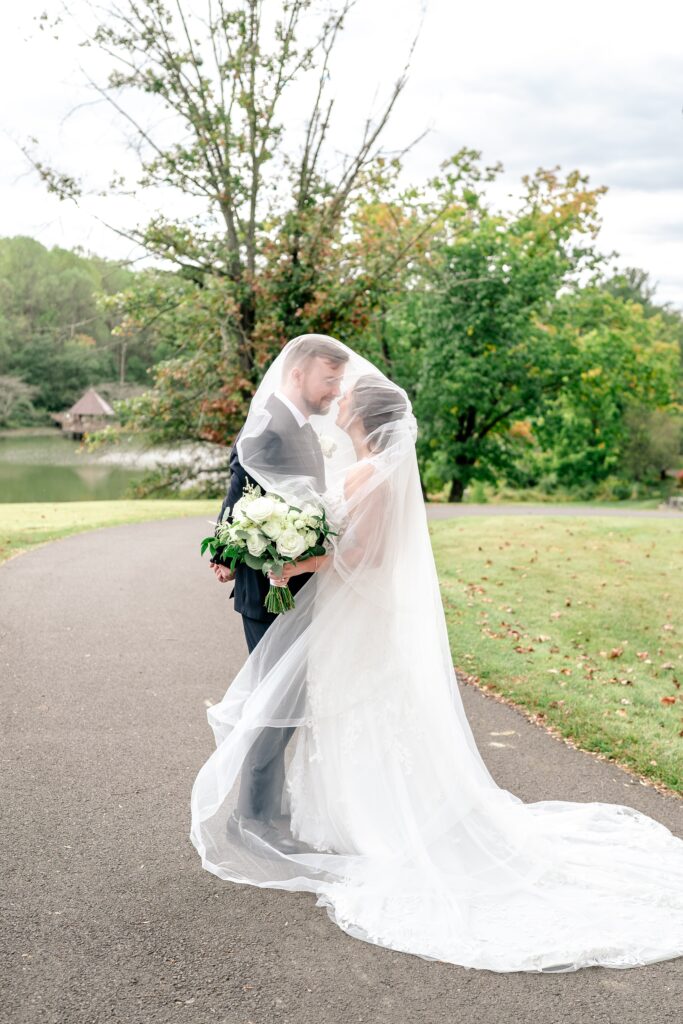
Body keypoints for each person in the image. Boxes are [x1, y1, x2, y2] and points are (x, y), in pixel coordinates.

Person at [191, 336, 683, 974]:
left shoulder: (369, 473)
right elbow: (268, 501)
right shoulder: (357, 463)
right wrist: (240, 550)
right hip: (340, 613)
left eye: (346, 398)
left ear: (365, 420)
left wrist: (294, 559)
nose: (339, 400)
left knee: (334, 712)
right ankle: (313, 819)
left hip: (344, 613)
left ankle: (358, 827)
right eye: (333, 385)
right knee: (330, 711)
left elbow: (358, 553)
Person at [208, 334, 348, 852]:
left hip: (297, 576)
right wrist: (226, 550)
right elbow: (239, 485)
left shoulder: (297, 422)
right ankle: (251, 819)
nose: (335, 389)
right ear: (298, 374)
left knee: (287, 697)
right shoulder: (271, 420)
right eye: (328, 379)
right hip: (272, 584)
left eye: (338, 380)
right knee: (275, 701)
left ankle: (266, 810)